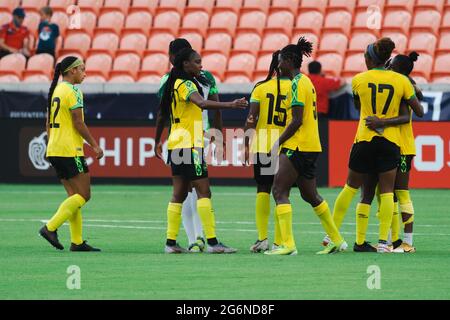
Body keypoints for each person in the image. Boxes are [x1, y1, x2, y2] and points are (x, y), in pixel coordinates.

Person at [328, 38, 423, 253]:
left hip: (364, 138)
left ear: (370, 58)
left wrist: (376, 117)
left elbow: (358, 105)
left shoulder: (358, 80)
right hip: (390, 141)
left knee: (355, 188)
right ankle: (384, 242)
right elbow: (417, 110)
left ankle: (332, 234)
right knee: (389, 191)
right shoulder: (401, 81)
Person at [154, 47, 248, 254]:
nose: (200, 65)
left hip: (177, 142)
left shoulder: (172, 83)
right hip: (190, 144)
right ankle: (213, 243)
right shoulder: (186, 84)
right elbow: (202, 103)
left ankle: (170, 243)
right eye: (196, 62)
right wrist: (231, 105)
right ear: (185, 64)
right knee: (204, 191)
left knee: (178, 193)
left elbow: (163, 114)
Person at [264, 37, 347, 256]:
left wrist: (277, 142)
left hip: (297, 145)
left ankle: (288, 244)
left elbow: (297, 120)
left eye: (280, 60)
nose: (277, 63)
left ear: (290, 60)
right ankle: (337, 240)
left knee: (279, 190)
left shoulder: (296, 83)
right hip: (311, 145)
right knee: (310, 195)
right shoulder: (306, 81)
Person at [356, 52, 423, 253]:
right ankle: (392, 241)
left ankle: (408, 243)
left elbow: (419, 109)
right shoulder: (398, 84)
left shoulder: (402, 84)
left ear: (397, 68)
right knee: (386, 195)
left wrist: (382, 122)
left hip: (402, 146)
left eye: (391, 64)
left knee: (401, 193)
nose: (387, 66)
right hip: (390, 145)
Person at [39, 56, 104, 252]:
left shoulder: (56, 91)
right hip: (70, 150)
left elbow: (48, 122)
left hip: (55, 148)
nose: (85, 73)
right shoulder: (74, 90)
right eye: (82, 69)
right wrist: (94, 145)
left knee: (73, 196)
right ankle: (50, 228)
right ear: (72, 71)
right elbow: (78, 121)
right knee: (84, 195)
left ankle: (77, 242)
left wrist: (51, 144)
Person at [244, 50, 290, 253]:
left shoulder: (261, 88)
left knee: (263, 189)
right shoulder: (295, 86)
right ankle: (280, 241)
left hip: (263, 145)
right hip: (287, 145)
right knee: (283, 193)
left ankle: (262, 238)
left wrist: (246, 144)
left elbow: (251, 118)